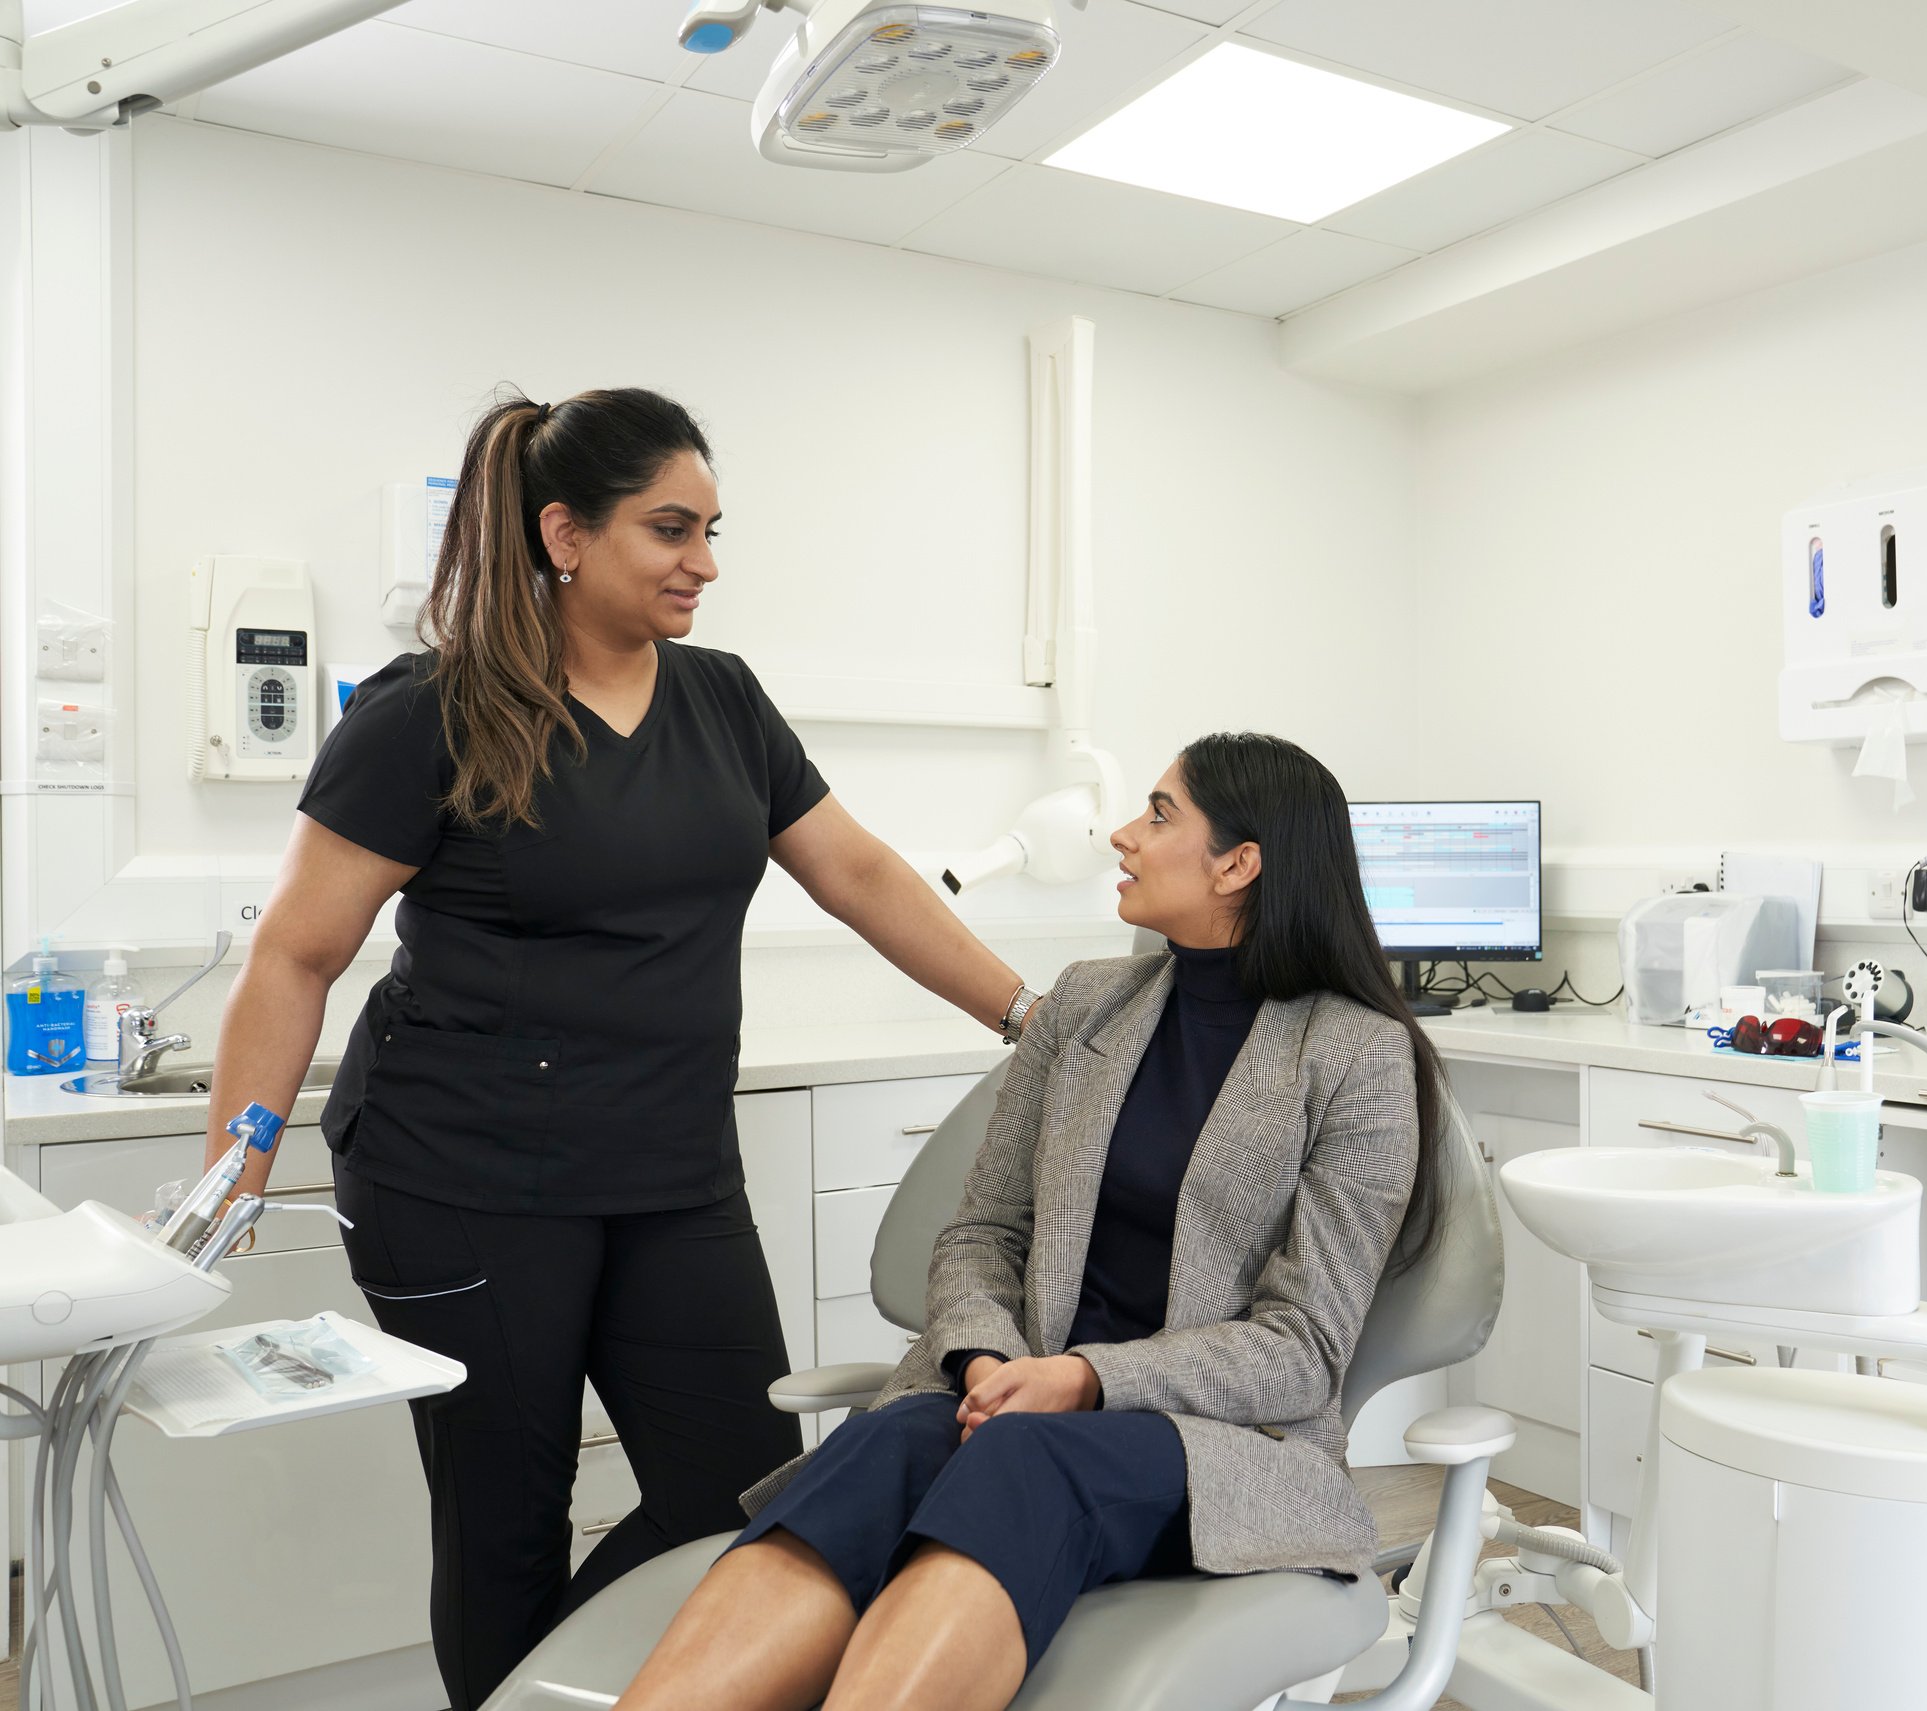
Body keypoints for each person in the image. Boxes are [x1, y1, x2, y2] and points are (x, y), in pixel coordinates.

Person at [198, 388, 1051, 1710]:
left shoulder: (721, 700)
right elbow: (293, 955)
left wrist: (1026, 1014)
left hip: (671, 1171)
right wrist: (235, 1168)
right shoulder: (428, 710)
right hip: (458, 1180)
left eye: (711, 529)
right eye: (669, 527)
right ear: (563, 532)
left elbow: (858, 871)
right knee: (505, 1516)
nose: (702, 560)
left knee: (746, 1492)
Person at [612, 731, 1447, 1711]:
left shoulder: (1358, 1055)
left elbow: (1302, 1349)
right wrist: (980, 1363)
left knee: (1023, 1455)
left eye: (1159, 813)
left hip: (1216, 1439)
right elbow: (983, 1232)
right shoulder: (1088, 1004)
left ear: (1238, 863)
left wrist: (1085, 1380)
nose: (1124, 836)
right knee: (882, 1442)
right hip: (1013, 1404)